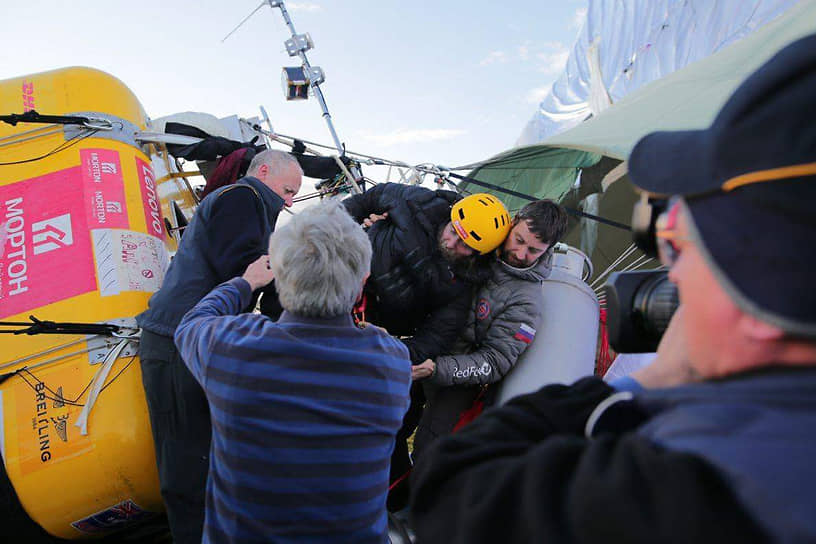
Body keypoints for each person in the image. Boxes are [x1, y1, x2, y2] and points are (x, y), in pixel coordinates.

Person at [409, 34, 816, 543]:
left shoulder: (682, 481)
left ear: (763, 292)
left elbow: (457, 492)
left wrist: (658, 376)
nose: (671, 272)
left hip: (449, 375)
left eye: (675, 239)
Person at [174, 199, 412, 543]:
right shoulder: (392, 363)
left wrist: (245, 282)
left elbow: (192, 322)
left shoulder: (230, 350)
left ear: (281, 277)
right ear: (363, 282)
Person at [136, 149, 302, 544]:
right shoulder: (243, 198)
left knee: (202, 454)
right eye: (289, 190)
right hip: (179, 338)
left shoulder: (251, 206)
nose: (291, 201)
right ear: (263, 171)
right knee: (188, 461)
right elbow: (244, 267)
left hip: (192, 337)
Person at [343, 184, 509, 508]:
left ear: (478, 254)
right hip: (347, 288)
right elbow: (364, 200)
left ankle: (389, 496)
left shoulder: (462, 287)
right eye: (452, 231)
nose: (451, 242)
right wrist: (342, 234)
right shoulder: (414, 201)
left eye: (463, 245)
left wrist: (385, 351)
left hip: (380, 330)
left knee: (393, 420)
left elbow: (434, 339)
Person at [412, 199, 568, 456]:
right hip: (422, 343)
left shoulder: (527, 302)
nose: (520, 254)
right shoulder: (483, 239)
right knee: (388, 422)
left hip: (455, 379)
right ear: (513, 221)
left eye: (533, 250)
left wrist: (437, 369)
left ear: (548, 250)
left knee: (428, 450)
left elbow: (495, 362)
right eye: (518, 240)